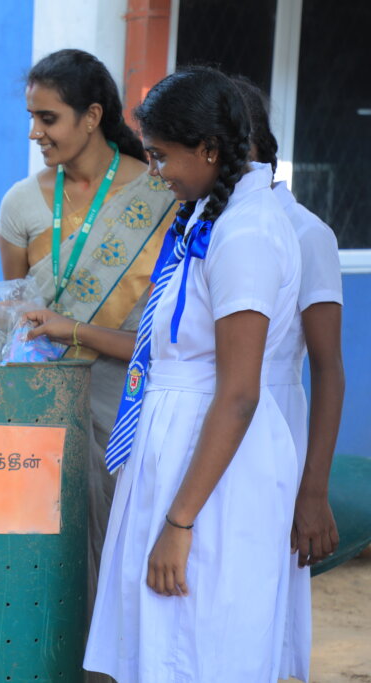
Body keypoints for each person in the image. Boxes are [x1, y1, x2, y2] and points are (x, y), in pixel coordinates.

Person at [82, 67, 302, 681]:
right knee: (158, 638)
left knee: (202, 643)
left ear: (208, 149)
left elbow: (237, 393)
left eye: (161, 156)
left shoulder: (247, 234)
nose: (155, 171)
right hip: (176, 446)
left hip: (214, 469)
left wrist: (180, 522)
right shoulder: (207, 217)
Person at [0, 48, 177, 624]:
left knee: (127, 542)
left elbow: (171, 321)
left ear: (92, 116)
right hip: (47, 404)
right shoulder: (22, 202)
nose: (34, 133)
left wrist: (77, 328)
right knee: (56, 547)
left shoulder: (162, 193)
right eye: (31, 117)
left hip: (135, 398)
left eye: (48, 118)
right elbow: (14, 306)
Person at [233, 76, 344, 682]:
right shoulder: (204, 229)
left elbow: (328, 369)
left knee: (262, 592)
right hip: (217, 420)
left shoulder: (307, 234)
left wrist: (314, 490)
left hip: (272, 422)